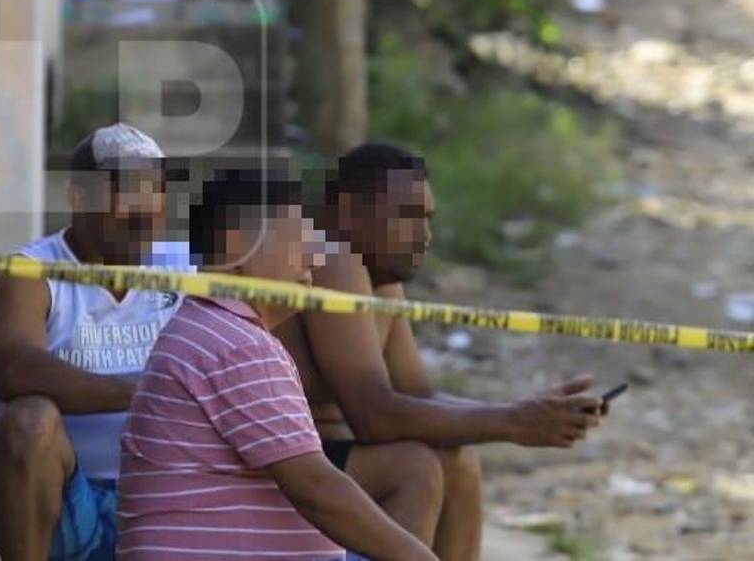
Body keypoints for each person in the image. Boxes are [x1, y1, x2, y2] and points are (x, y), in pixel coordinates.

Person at [275, 143, 607, 561]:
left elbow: (417, 398)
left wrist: (523, 411)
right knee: (412, 469)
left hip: (331, 459)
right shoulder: (329, 255)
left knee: (458, 461)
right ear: (347, 210)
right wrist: (511, 422)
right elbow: (374, 416)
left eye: (427, 219)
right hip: (284, 465)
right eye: (407, 217)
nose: (424, 235)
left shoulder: (378, 276)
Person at [118, 170, 437, 561]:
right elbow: (315, 488)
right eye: (298, 238)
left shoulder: (214, 327)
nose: (314, 256)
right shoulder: (236, 345)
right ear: (237, 246)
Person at [0, 123, 189, 561]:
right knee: (30, 419)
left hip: (162, 503)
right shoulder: (31, 272)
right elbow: (13, 369)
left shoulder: (185, 269)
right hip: (66, 506)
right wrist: (145, 391)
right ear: (77, 197)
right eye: (125, 193)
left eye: (154, 193)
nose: (143, 210)